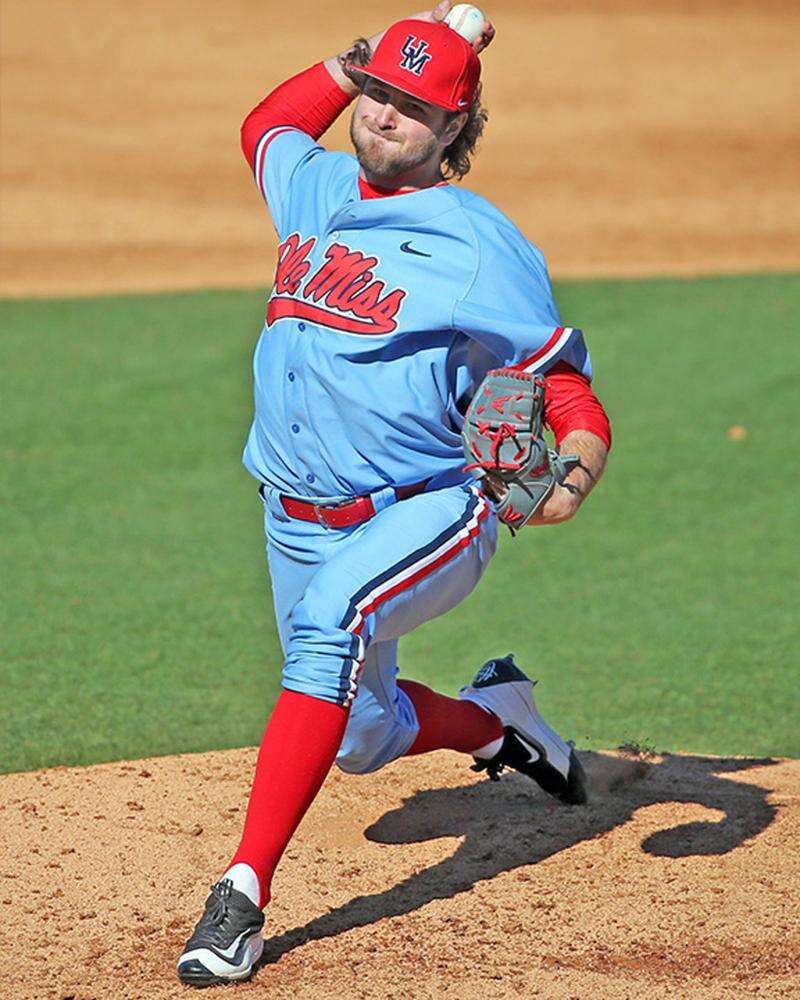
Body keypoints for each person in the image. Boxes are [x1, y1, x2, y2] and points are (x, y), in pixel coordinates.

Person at [177, 1, 611, 986]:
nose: (381, 117)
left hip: (428, 508)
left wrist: (570, 472)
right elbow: (265, 129)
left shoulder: (476, 242)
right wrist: (352, 58)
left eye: (412, 106)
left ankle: (240, 894)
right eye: (375, 93)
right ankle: (504, 721)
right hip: (293, 514)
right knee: (364, 735)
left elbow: (560, 382)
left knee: (332, 624)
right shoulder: (316, 186)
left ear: (455, 127)